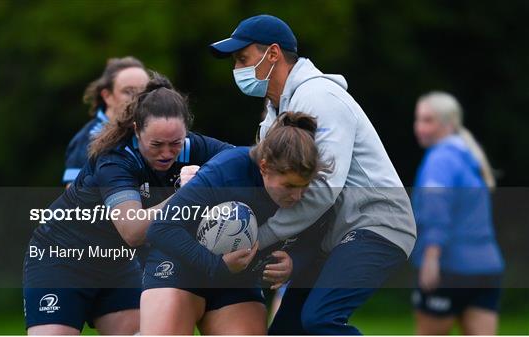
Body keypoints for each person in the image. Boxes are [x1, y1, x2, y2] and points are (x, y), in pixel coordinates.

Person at [209, 14, 417, 334]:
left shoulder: (320, 98)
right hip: (333, 236)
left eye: (242, 58)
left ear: (273, 54)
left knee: (320, 320)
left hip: (378, 225)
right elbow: (280, 191)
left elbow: (322, 190)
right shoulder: (274, 113)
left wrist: (259, 238)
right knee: (286, 331)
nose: (237, 69)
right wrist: (291, 255)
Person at [23, 73, 233, 335]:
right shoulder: (114, 159)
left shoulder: (192, 146)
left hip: (118, 263)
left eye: (175, 143)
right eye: (156, 144)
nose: (167, 153)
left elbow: (251, 162)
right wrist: (188, 192)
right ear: (136, 129)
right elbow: (132, 231)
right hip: (62, 259)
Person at [141, 112, 326, 335]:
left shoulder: (306, 192)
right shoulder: (227, 171)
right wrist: (217, 266)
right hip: (178, 268)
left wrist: (294, 262)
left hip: (236, 280)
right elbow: (161, 228)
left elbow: (315, 236)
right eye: (288, 186)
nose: (297, 196)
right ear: (264, 167)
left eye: (304, 186)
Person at [411, 91, 504, 335]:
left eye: (428, 120)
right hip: (487, 269)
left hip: (450, 267)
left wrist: (431, 258)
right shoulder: (468, 157)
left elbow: (436, 213)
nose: (419, 127)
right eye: (418, 119)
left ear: (448, 124)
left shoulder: (440, 159)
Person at [62, 56, 149, 185]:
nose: (138, 98)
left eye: (145, 91)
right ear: (107, 96)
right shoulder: (88, 138)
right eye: (128, 91)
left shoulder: (149, 133)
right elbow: (73, 198)